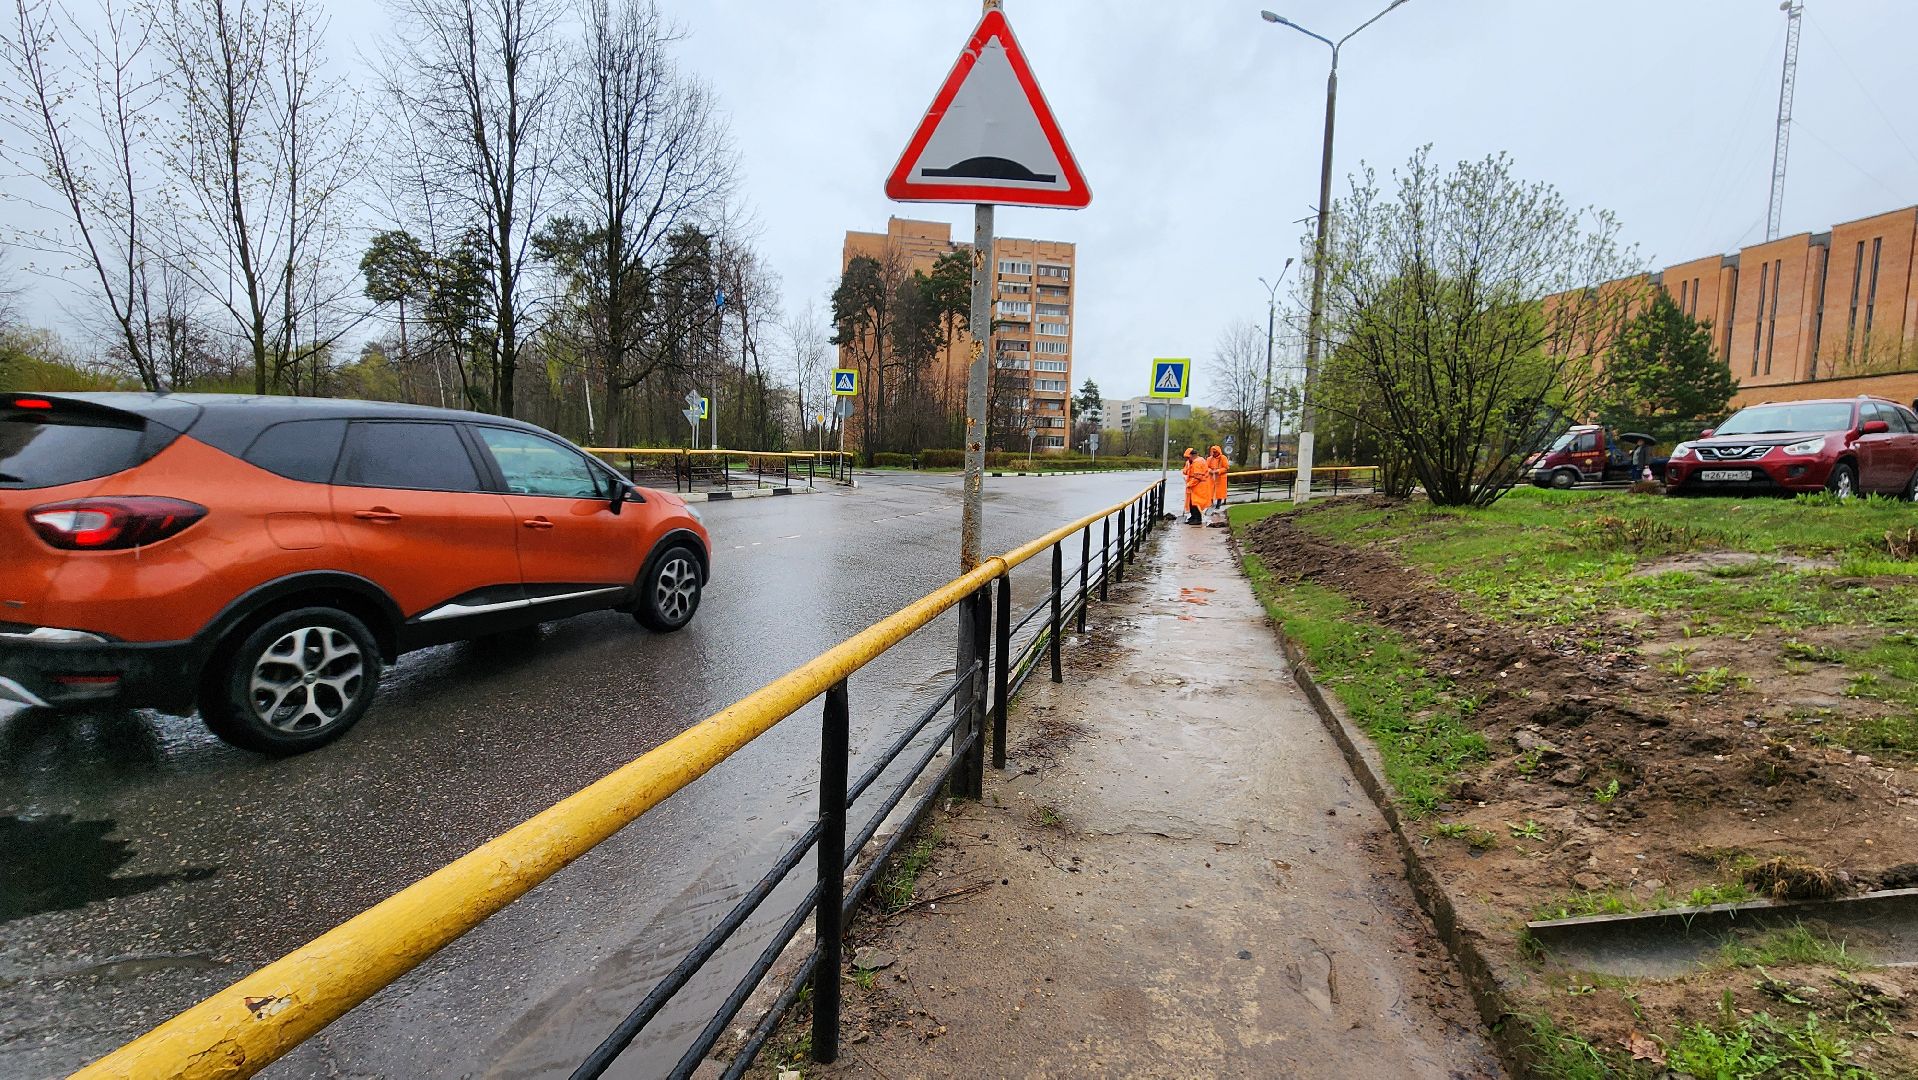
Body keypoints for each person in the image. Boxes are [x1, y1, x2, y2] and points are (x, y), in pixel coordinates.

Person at [1181, 447, 1207, 524]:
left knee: (1196, 502)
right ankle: (1193, 516)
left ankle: (1197, 518)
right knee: (1191, 501)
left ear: (1193, 455)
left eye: (1188, 457)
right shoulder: (1192, 462)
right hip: (1194, 484)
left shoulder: (1197, 462)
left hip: (1197, 485)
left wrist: (1190, 484)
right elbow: (1186, 471)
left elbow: (1197, 477)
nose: (1187, 459)